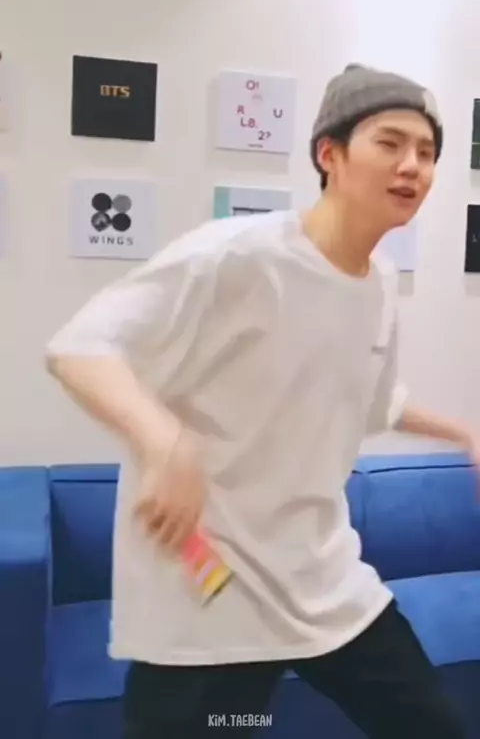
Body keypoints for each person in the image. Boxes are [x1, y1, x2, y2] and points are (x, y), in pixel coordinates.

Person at [46, 64, 474, 739]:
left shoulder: (380, 283)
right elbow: (80, 347)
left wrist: (464, 432)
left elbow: (369, 400)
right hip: (211, 592)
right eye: (390, 143)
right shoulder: (238, 257)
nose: (411, 166)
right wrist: (163, 441)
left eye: (426, 152)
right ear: (329, 154)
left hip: (326, 584)